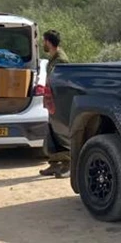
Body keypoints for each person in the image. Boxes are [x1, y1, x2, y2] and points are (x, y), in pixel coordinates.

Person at [39, 29, 70, 178]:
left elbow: (61, 81)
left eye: (44, 41)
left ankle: (67, 164)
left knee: (60, 133)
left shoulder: (61, 60)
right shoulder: (53, 58)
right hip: (52, 101)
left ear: (49, 42)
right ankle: (54, 164)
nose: (42, 43)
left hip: (59, 102)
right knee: (51, 133)